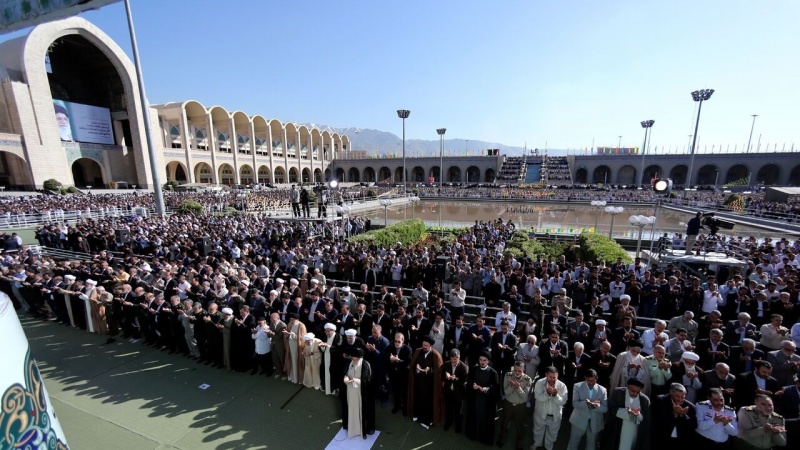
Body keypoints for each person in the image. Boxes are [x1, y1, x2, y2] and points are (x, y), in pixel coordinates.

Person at [604, 377, 651, 450]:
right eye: (633, 391)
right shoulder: (618, 393)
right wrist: (626, 412)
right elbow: (611, 408)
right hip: (618, 428)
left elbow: (645, 419)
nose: (635, 393)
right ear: (628, 387)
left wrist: (637, 414)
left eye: (637, 392)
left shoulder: (644, 400)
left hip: (634, 430)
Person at [407, 336, 444, 429]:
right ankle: (416, 415)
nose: (424, 347)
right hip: (418, 382)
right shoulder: (418, 351)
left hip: (429, 385)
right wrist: (417, 367)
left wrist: (429, 370)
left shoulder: (435, 355)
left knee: (427, 402)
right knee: (417, 399)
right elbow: (412, 365)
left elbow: (439, 371)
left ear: (431, 346)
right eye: (423, 344)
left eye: (426, 345)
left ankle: (426, 420)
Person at [567, 369, 608, 450]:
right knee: (573, 443)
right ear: (585, 378)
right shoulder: (577, 386)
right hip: (578, 421)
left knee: (591, 446)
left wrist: (596, 406)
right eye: (589, 380)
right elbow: (574, 403)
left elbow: (605, 408)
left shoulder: (603, 390)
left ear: (596, 378)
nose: (591, 383)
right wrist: (586, 404)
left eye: (593, 381)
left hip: (594, 422)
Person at [464, 350, 499, 445]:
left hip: (486, 402)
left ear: (488, 361)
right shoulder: (474, 369)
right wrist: (473, 385)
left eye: (484, 360)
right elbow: (469, 381)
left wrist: (486, 389)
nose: (482, 362)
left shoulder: (493, 373)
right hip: (475, 399)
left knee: (485, 419)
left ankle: (484, 438)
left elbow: (495, 388)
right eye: (480, 360)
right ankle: (473, 435)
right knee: (474, 417)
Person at [497, 361, 533, 450]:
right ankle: (502, 439)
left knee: (520, 426)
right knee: (504, 423)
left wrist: (518, 387)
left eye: (519, 371)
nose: (517, 373)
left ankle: (519, 443)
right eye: (515, 370)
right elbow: (506, 392)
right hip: (508, 404)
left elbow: (525, 397)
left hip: (520, 407)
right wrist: (513, 386)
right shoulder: (508, 375)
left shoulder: (528, 379)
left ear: (523, 370)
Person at [342, 347, 376, 439]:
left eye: (356, 359)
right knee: (351, 410)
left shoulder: (365, 365)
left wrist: (355, 380)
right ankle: (351, 428)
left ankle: (362, 430)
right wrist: (345, 378)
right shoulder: (350, 362)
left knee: (361, 411)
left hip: (361, 394)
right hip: (350, 392)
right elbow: (345, 372)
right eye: (353, 358)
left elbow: (367, 380)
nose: (354, 360)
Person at [533, 365, 569, 450]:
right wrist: (547, 394)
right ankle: (537, 444)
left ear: (558, 376)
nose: (552, 379)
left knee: (552, 434)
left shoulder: (562, 386)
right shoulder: (539, 383)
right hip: (540, 414)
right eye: (550, 377)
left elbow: (563, 401)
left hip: (555, 416)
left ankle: (548, 447)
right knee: (537, 430)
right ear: (546, 375)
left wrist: (555, 395)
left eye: (554, 377)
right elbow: (538, 397)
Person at [441, 349, 468, 433]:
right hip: (448, 392)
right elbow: (442, 377)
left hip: (458, 394)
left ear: (459, 358)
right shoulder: (446, 364)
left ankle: (458, 427)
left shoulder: (464, 367)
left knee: (458, 412)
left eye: (456, 359)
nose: (454, 361)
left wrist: (453, 378)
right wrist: (446, 377)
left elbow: (463, 382)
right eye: (452, 359)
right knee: (448, 409)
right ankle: (448, 422)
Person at [386, 332, 412, 415]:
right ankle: (397, 406)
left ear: (403, 341)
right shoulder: (390, 347)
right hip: (393, 374)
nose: (396, 343)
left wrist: (398, 361)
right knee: (395, 391)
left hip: (403, 375)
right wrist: (390, 359)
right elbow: (385, 357)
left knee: (404, 392)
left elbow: (407, 363)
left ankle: (405, 408)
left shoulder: (408, 349)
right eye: (395, 341)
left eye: (398, 341)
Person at [319, 322, 342, 395]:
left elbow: (338, 348)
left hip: (334, 360)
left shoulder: (338, 336)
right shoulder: (325, 336)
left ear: (333, 330)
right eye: (326, 331)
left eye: (328, 331)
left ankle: (334, 389)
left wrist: (327, 346)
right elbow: (322, 346)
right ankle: (325, 386)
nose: (326, 333)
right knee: (324, 371)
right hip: (325, 357)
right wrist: (321, 347)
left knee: (334, 373)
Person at [283, 313, 307, 384]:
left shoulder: (301, 326)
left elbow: (303, 339)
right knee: (291, 360)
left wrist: (292, 334)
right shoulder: (289, 324)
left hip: (298, 347)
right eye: (290, 319)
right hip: (290, 345)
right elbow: (287, 334)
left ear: (297, 319)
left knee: (296, 361)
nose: (291, 321)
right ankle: (292, 376)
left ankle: (298, 378)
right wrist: (286, 334)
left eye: (292, 320)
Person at [268, 312, 287, 380]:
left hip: (281, 345)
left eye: (273, 319)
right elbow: (269, 335)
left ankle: (285, 373)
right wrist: (269, 333)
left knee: (283, 359)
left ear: (277, 318)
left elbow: (279, 337)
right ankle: (278, 372)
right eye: (271, 319)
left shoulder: (283, 325)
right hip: (273, 344)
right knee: (275, 359)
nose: (271, 320)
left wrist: (271, 333)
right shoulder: (271, 324)